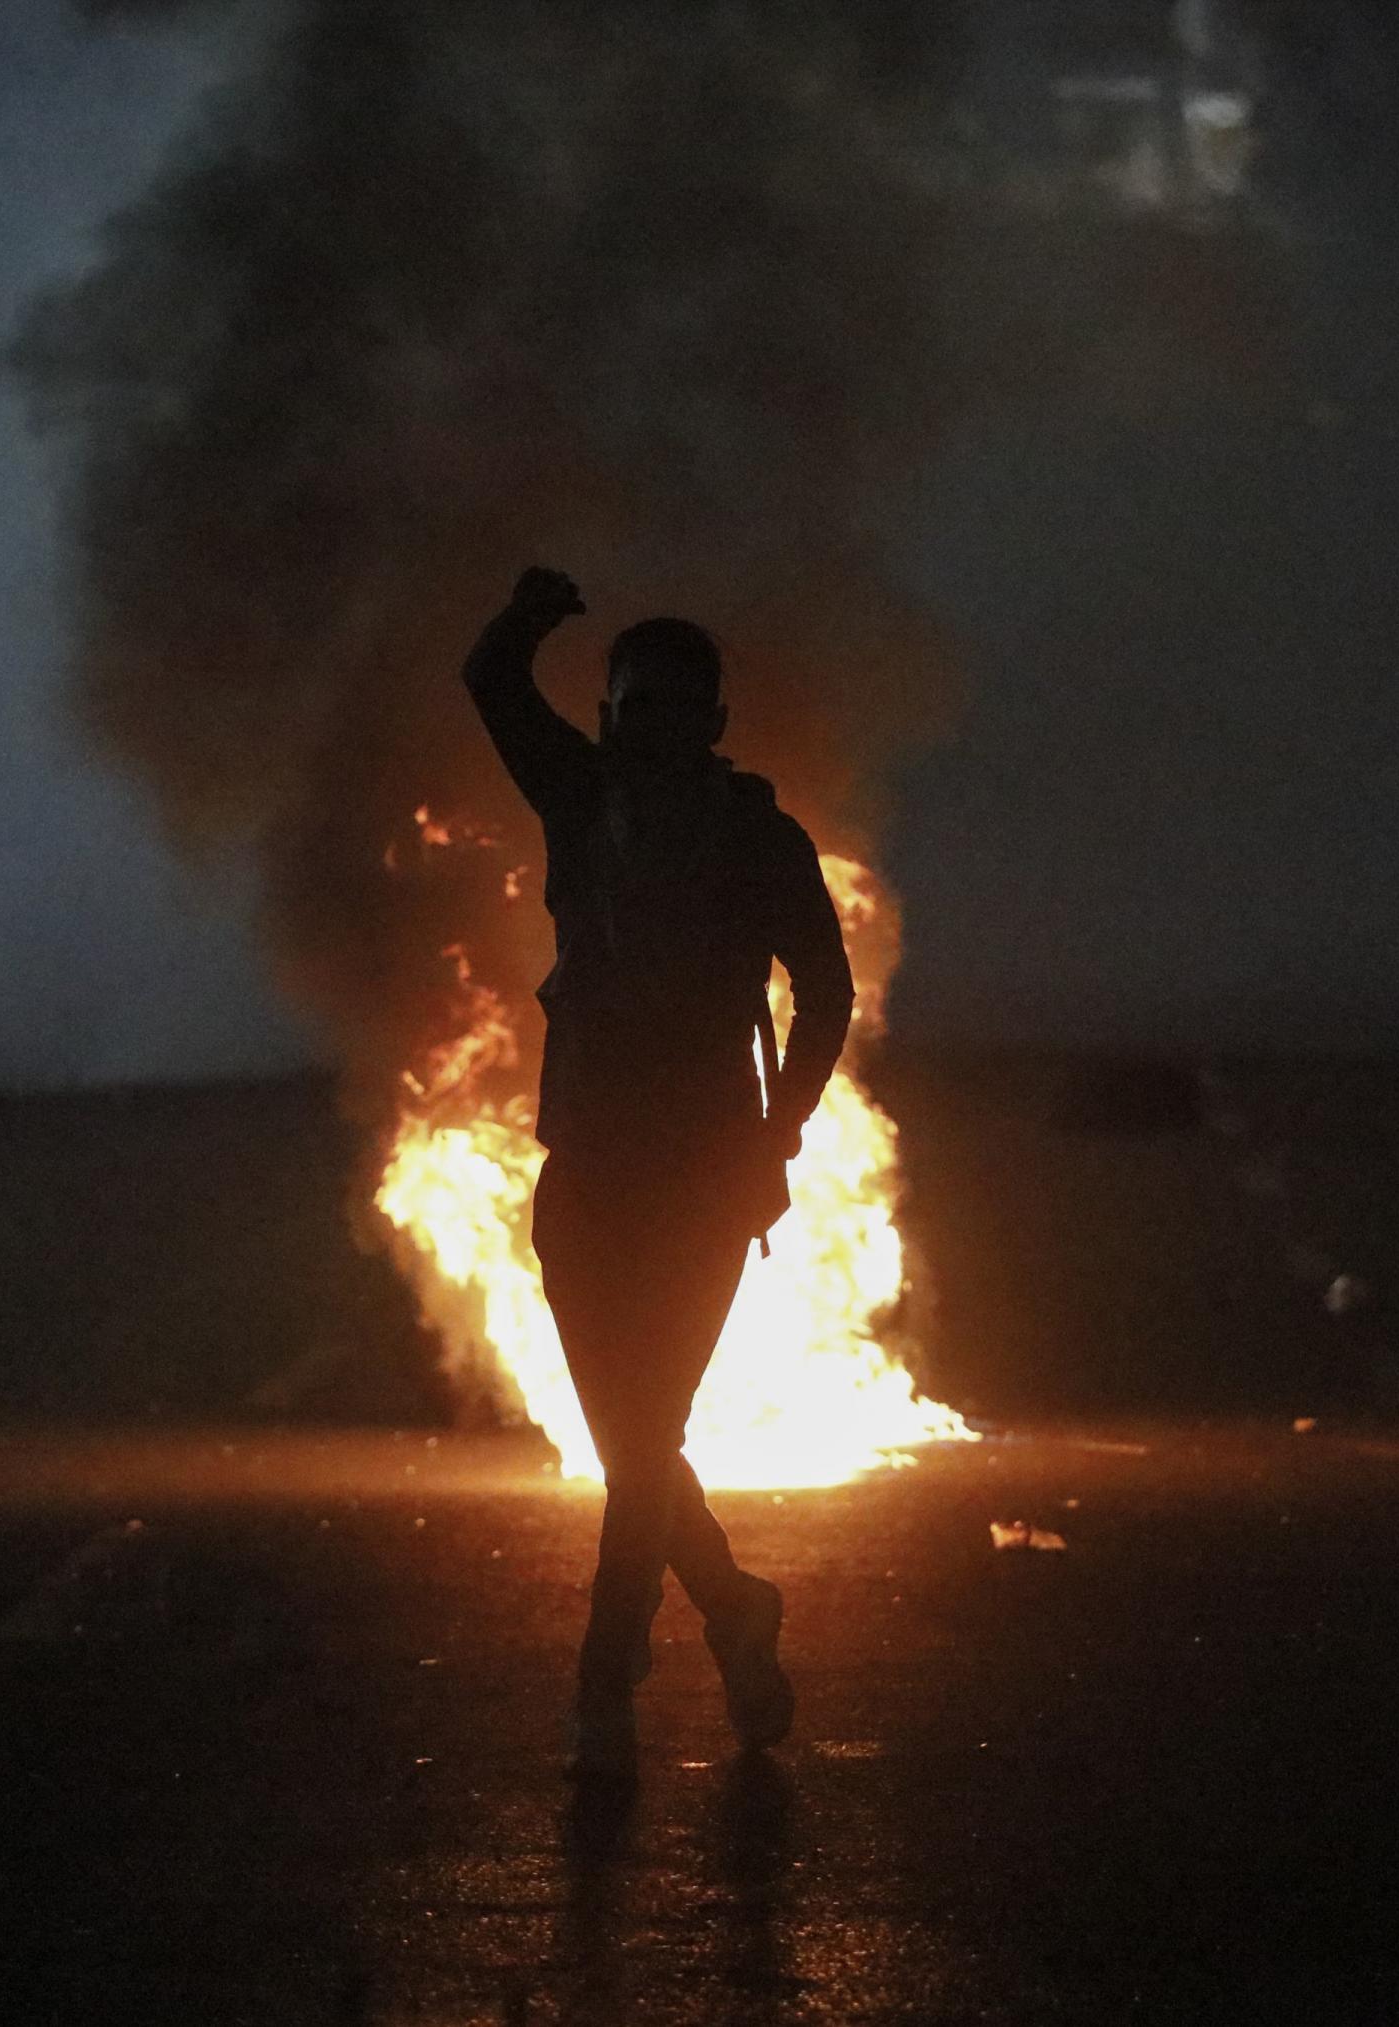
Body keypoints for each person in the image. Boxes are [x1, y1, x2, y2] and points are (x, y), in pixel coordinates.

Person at [462, 565, 854, 1782]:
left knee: (647, 1434)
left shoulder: (760, 838)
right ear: (608, 715)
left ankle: (604, 1677)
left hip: (705, 1181)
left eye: (677, 708)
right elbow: (490, 681)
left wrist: (779, 1127)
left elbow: (827, 990)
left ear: (716, 722)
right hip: (583, 1171)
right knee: (634, 1437)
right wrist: (531, 610)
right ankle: (734, 1608)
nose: (653, 729)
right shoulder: (577, 798)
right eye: (632, 706)